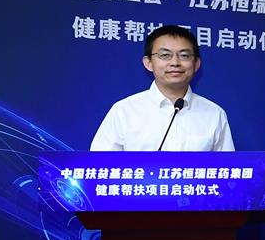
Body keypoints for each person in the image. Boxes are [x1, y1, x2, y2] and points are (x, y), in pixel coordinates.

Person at [90, 24, 234, 152]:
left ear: (196, 64)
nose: (175, 62)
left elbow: (228, 169)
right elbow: (99, 166)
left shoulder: (214, 114)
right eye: (165, 55)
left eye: (184, 55)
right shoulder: (124, 111)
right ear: (148, 63)